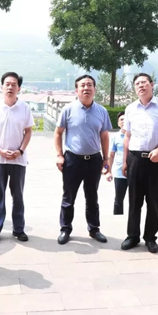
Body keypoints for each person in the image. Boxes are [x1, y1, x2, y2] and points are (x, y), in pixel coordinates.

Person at [121, 73, 158, 253]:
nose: (141, 86)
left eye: (144, 82)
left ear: (152, 84)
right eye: (137, 83)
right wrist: (124, 161)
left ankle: (150, 237)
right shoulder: (130, 108)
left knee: (153, 201)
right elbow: (127, 136)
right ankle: (132, 236)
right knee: (134, 200)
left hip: (155, 160)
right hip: (135, 159)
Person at [55, 75, 112, 245]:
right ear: (77, 90)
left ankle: (94, 229)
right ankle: (65, 229)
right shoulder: (68, 109)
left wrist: (106, 158)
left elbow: (104, 136)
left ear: (95, 89)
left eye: (89, 85)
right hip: (72, 160)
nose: (86, 88)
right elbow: (58, 133)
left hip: (94, 160)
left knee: (92, 197)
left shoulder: (101, 111)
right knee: (68, 197)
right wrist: (59, 155)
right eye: (83, 85)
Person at [0, 72, 34, 243]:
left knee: (18, 196)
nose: (10, 87)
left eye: (14, 84)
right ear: (2, 87)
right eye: (7, 84)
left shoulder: (24, 108)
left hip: (18, 160)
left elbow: (28, 132)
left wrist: (20, 150)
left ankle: (18, 229)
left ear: (19, 88)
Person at [105, 111, 128, 215]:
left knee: (135, 199)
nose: (123, 121)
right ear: (118, 123)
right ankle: (118, 218)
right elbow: (111, 155)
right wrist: (108, 171)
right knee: (119, 199)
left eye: (125, 119)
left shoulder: (135, 136)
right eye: (121, 120)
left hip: (134, 172)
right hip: (119, 173)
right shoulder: (115, 137)